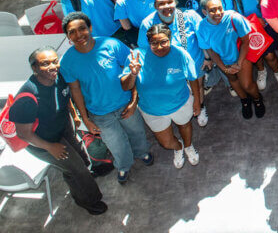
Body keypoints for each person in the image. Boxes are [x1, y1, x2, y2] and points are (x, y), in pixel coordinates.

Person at [9, 47, 108, 215]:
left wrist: (74, 114)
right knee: (75, 168)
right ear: (34, 68)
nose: (52, 66)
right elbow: (23, 133)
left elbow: (65, 95)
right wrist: (50, 147)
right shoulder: (27, 97)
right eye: (45, 63)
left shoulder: (59, 77)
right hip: (43, 141)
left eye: (55, 61)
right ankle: (89, 200)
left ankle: (85, 173)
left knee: (80, 156)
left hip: (62, 126)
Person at [59, 12, 153, 184]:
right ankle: (123, 166)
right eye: (72, 32)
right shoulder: (67, 62)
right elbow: (75, 90)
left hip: (126, 104)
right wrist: (85, 119)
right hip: (100, 114)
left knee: (137, 132)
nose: (79, 35)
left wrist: (134, 101)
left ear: (90, 28)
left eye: (82, 29)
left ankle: (142, 152)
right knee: (116, 144)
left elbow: (133, 71)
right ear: (68, 37)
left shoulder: (111, 44)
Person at [121, 25, 201, 169]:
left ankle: (189, 146)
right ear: (148, 43)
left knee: (185, 126)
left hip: (181, 103)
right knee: (166, 142)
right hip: (152, 110)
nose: (159, 47)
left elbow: (192, 78)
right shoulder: (137, 56)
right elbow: (126, 86)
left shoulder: (180, 53)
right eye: (154, 43)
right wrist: (133, 73)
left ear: (170, 39)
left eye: (164, 42)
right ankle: (178, 147)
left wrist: (197, 100)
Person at [138, 0, 209, 127]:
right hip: (167, 66)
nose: (166, 7)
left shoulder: (189, 16)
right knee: (178, 90)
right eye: (161, 3)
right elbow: (144, 50)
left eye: (169, 2)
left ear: (175, 2)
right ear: (155, 6)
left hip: (193, 61)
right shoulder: (148, 24)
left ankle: (200, 105)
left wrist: (208, 58)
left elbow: (203, 38)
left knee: (198, 86)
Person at [197, 0, 267, 118]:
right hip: (223, 60)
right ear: (204, 12)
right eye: (212, 10)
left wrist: (239, 64)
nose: (218, 13)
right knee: (233, 80)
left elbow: (246, 42)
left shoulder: (234, 17)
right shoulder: (201, 28)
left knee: (247, 84)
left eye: (220, 8)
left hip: (242, 55)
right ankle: (245, 101)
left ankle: (257, 99)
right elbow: (210, 51)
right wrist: (223, 67)